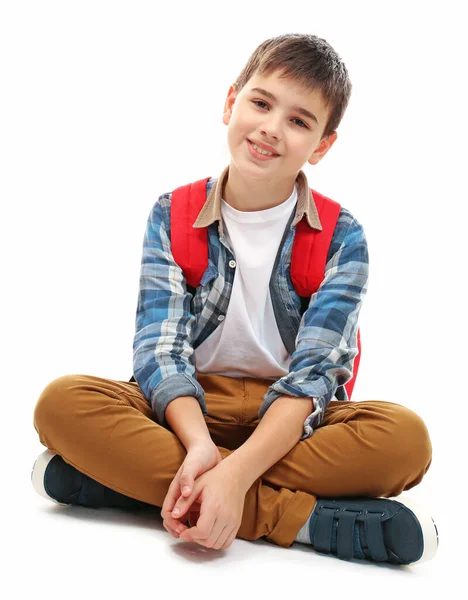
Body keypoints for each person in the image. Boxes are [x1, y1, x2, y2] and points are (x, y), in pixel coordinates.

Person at [32, 32, 438, 565]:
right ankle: (302, 521)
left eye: (299, 121)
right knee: (62, 403)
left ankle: (130, 485)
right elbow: (159, 353)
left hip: (290, 424)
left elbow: (316, 374)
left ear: (322, 145)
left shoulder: (343, 235)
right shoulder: (172, 212)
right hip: (185, 413)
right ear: (231, 102)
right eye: (261, 103)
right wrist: (204, 450)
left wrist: (238, 471)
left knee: (405, 441)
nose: (271, 128)